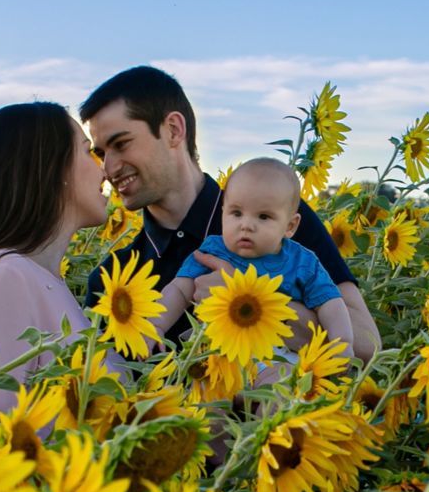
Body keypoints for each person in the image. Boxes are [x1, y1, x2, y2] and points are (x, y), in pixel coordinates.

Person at [79, 66, 382, 359]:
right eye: (101, 154)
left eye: (121, 144)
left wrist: (248, 300)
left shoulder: (274, 217)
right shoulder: (111, 282)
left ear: (173, 130)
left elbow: (367, 344)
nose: (108, 168)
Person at [0, 102, 114, 414]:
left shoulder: (33, 277)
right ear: (51, 169)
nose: (104, 170)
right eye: (87, 152)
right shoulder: (6, 278)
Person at [150, 158, 353, 353]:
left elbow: (330, 303)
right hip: (219, 352)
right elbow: (180, 289)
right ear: (223, 214)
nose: (246, 225)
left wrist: (342, 343)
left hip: (278, 352)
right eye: (236, 213)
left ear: (290, 226)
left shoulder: (302, 262)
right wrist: (156, 324)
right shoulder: (214, 250)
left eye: (263, 216)